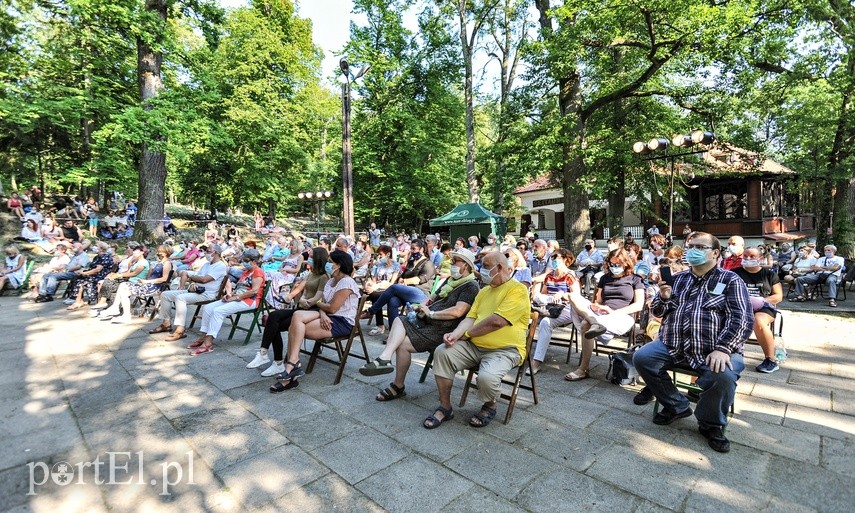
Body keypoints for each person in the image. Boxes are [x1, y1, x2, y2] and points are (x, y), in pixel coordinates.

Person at [632, 231, 753, 453]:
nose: (692, 251)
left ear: (715, 253)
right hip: (675, 345)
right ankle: (676, 405)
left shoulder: (730, 280)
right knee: (642, 357)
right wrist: (664, 297)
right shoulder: (678, 279)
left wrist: (723, 349)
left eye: (700, 247)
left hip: (715, 348)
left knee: (722, 376)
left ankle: (710, 423)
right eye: (690, 247)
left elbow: (742, 319)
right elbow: (658, 311)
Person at [423, 252, 530, 429]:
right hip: (475, 345)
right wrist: (456, 334)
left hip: (505, 349)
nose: (481, 270)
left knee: (487, 378)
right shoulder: (484, 292)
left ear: (500, 268)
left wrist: (467, 335)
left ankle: (490, 405)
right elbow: (470, 318)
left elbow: (497, 321)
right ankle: (445, 407)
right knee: (442, 352)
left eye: (486, 266)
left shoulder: (517, 290)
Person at [358, 249, 481, 400]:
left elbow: (458, 311)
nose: (452, 264)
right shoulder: (451, 281)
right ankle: (386, 358)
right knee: (399, 319)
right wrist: (421, 306)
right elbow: (432, 298)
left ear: (466, 266)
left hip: (444, 329)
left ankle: (396, 383)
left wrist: (432, 313)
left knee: (401, 338)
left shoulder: (471, 286)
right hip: (429, 321)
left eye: (456, 261)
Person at [270, 251, 361, 390]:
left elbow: (332, 307)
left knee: (294, 328)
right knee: (297, 316)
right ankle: (293, 364)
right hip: (328, 316)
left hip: (342, 321)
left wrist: (321, 307)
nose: (328, 264)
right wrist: (322, 312)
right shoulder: (331, 280)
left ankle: (291, 369)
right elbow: (324, 304)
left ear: (338, 265)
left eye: (331, 261)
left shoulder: (346, 282)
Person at [248, 247, 331, 376]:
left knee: (274, 324)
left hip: (311, 311)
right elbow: (302, 288)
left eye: (311, 256)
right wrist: (296, 297)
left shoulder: (324, 277)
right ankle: (263, 352)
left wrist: (304, 300)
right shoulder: (311, 273)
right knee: (273, 316)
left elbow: (317, 298)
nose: (308, 258)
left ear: (318, 258)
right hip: (302, 307)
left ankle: (278, 362)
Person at [187, 248, 265, 355]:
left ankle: (208, 343)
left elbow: (254, 291)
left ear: (254, 261)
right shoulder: (247, 272)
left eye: (247, 261)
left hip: (248, 301)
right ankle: (202, 337)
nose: (244, 263)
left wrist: (236, 298)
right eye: (244, 260)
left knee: (218, 311)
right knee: (208, 308)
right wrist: (229, 295)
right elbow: (239, 287)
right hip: (237, 297)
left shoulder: (258, 272)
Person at [150, 243, 229, 341]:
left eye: (208, 251)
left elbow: (204, 279)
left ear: (215, 253)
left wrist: (192, 278)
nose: (206, 253)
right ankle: (166, 323)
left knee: (180, 298)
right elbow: (198, 278)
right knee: (165, 294)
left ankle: (180, 329)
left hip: (207, 294)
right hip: (196, 290)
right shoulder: (206, 265)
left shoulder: (220, 266)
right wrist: (193, 282)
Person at [359, 239, 436, 328]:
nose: (411, 251)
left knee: (394, 287)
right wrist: (401, 279)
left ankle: (371, 311)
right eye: (411, 248)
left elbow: (421, 279)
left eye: (414, 249)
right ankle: (393, 332)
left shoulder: (428, 263)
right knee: (392, 300)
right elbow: (403, 275)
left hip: (421, 293)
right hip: (406, 292)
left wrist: (405, 281)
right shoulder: (411, 262)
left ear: (422, 249)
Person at [529, 248, 579, 374]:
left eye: (555, 257)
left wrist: (562, 294)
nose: (553, 259)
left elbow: (576, 297)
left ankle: (536, 361)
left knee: (546, 322)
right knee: (525, 317)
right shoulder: (550, 275)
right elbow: (544, 293)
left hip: (566, 307)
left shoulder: (570, 275)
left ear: (565, 259)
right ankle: (517, 354)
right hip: (549, 307)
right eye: (551, 257)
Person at [734, 247, 783, 373]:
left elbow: (778, 296)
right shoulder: (734, 273)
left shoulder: (769, 275)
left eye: (752, 256)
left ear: (760, 259)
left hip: (763, 308)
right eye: (745, 256)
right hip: (739, 307)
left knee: (758, 320)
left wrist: (761, 301)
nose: (747, 259)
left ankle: (770, 359)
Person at [97, 246, 173, 323]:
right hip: (148, 285)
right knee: (123, 287)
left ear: (166, 252)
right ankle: (121, 312)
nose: (158, 252)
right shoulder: (160, 262)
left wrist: (147, 282)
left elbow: (164, 278)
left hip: (152, 287)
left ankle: (120, 311)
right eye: (159, 251)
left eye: (160, 251)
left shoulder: (167, 263)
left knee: (124, 286)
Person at [362, 244, 400, 335]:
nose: (379, 257)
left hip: (389, 289)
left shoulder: (396, 265)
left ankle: (380, 325)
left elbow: (391, 284)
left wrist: (376, 287)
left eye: (380, 255)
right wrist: (369, 284)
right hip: (376, 288)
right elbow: (374, 279)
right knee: (360, 293)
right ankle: (353, 320)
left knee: (376, 296)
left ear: (388, 254)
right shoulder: (379, 264)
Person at [64, 241, 115, 310]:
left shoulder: (105, 257)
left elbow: (98, 269)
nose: (94, 247)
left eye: (96, 246)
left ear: (102, 249)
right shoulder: (97, 257)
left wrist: (85, 273)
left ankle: (78, 301)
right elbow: (92, 268)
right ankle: (78, 300)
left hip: (102, 275)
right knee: (77, 277)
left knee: (81, 280)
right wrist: (83, 272)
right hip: (94, 275)